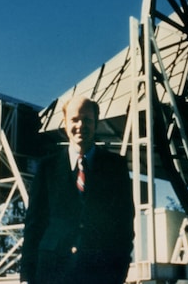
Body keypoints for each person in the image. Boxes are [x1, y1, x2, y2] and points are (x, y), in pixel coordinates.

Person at [20, 96, 134, 284]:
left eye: (87, 120)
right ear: (65, 123)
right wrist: (26, 276)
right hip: (51, 273)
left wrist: (118, 272)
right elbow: (34, 226)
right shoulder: (47, 168)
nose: (80, 125)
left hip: (100, 274)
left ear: (96, 123)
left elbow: (124, 225)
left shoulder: (116, 168)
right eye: (74, 119)